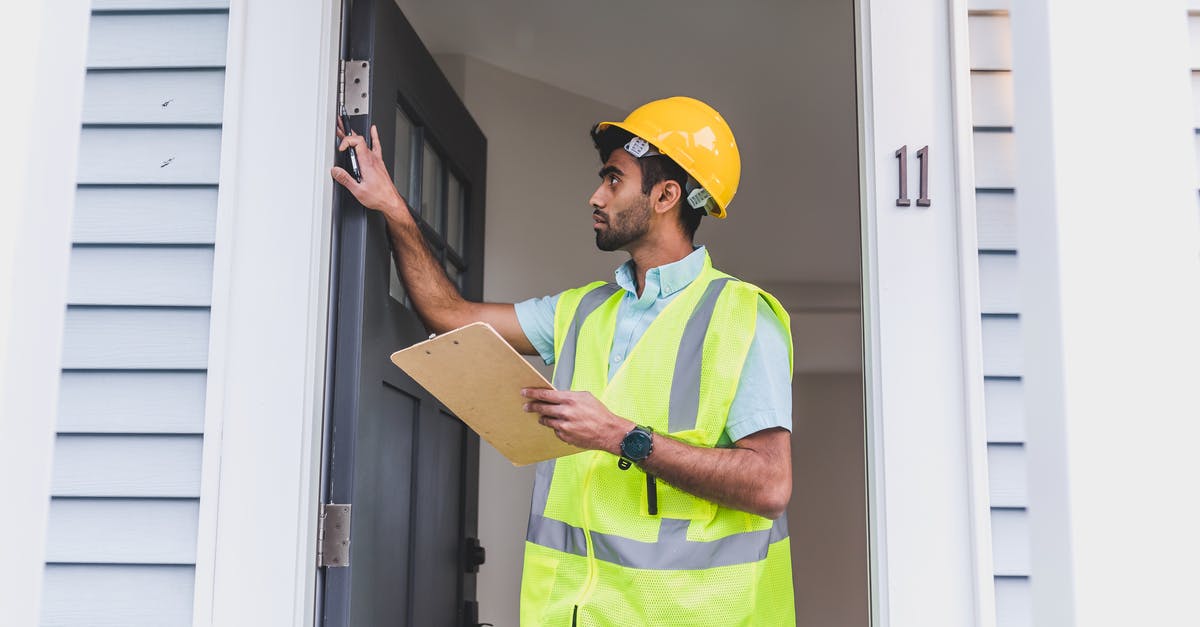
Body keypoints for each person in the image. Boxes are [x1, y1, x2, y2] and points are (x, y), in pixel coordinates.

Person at [333, 96, 795, 626]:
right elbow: (447, 314)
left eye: (614, 180)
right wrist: (394, 207)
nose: (595, 196)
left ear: (666, 195)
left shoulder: (743, 316)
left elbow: (769, 485)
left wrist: (621, 436)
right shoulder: (582, 311)